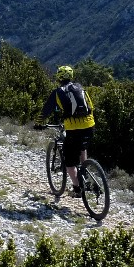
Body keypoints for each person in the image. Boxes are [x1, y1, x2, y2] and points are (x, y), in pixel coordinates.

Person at [35, 65, 95, 198]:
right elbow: (91, 106)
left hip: (73, 128)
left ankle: (77, 189)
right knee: (82, 146)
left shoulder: (58, 92)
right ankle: (84, 170)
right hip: (90, 125)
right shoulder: (81, 88)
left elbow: (45, 111)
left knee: (69, 162)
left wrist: (38, 123)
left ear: (59, 77)